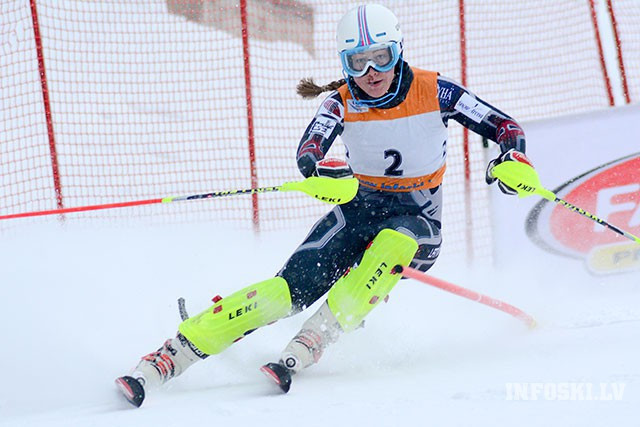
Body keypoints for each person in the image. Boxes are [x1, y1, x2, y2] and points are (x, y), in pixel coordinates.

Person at [115, 3, 532, 406]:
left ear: (398, 52)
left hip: (418, 222)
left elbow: (503, 126)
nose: (370, 73)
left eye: (380, 59)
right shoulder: (340, 101)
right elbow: (310, 149)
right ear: (344, 63)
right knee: (285, 292)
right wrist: (321, 170)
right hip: (358, 211)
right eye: (357, 63)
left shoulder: (436, 90)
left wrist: (512, 157)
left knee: (391, 244)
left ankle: (316, 335)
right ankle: (173, 354)